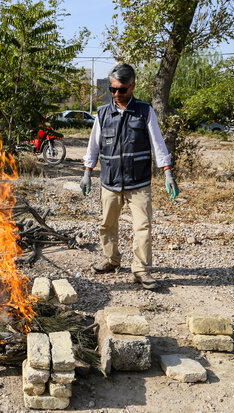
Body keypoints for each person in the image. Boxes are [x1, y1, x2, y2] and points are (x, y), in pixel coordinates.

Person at [80, 64, 179, 291]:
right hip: (110, 182)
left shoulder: (145, 111)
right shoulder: (103, 114)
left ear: (132, 86)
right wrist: (87, 173)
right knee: (107, 224)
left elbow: (158, 144)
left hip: (139, 183)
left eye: (121, 90)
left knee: (143, 226)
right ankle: (112, 260)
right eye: (112, 89)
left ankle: (141, 270)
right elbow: (93, 146)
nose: (116, 94)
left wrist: (168, 173)